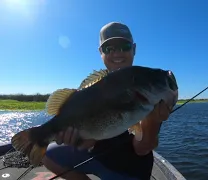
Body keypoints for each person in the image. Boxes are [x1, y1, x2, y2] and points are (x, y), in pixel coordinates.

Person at [42, 22, 179, 180]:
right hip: (98, 157)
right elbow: (89, 142)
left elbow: (142, 148)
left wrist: (153, 120)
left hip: (129, 169)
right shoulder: (95, 87)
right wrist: (76, 138)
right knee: (47, 155)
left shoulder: (145, 86)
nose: (117, 53)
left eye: (124, 46)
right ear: (101, 52)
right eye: (109, 48)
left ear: (134, 49)